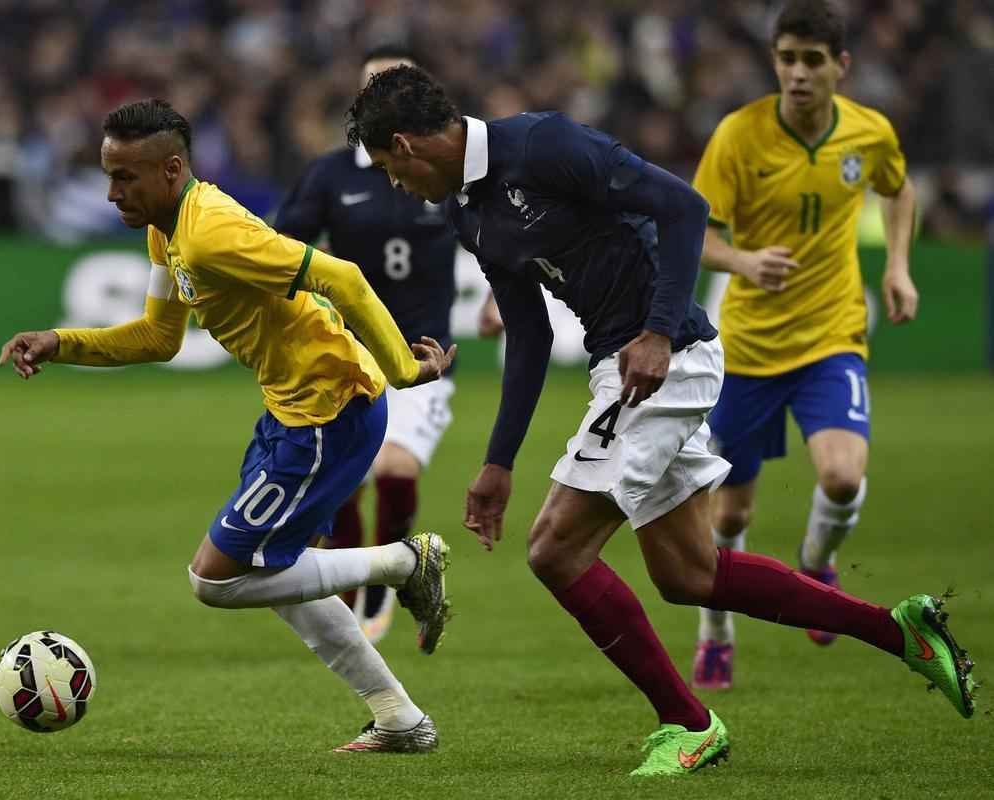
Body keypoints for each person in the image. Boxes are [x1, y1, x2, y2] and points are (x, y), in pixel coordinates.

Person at [345, 65, 975, 777]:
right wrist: (498, 461)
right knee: (687, 572)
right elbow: (526, 334)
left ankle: (689, 723)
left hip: (664, 358)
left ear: (405, 145)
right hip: (625, 364)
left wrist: (657, 329)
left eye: (389, 170)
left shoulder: (543, 144)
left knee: (555, 549)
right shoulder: (470, 214)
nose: (396, 186)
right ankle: (900, 632)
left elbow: (679, 207)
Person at [0, 99, 456, 753]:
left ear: (172, 168)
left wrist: (404, 371)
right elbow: (159, 338)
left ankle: (402, 562)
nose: (111, 192)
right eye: (108, 174)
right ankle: (398, 719)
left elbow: (343, 278)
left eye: (125, 176)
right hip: (292, 409)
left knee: (216, 579)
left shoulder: (211, 229)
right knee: (273, 574)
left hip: (329, 411)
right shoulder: (167, 226)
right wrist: (61, 342)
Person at [689, 0, 921, 690]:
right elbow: (699, 236)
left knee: (843, 476)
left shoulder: (868, 132)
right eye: (786, 58)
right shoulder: (738, 136)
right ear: (774, 62)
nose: (796, 73)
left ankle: (816, 560)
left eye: (811, 60)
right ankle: (716, 630)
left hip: (829, 335)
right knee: (727, 516)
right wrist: (743, 263)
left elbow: (899, 191)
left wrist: (899, 267)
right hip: (748, 349)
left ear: (839, 67)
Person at [273, 45, 457, 644]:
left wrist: (498, 299)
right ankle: (352, 597)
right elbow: (284, 248)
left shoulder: (442, 168)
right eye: (372, 85)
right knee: (348, 481)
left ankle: (385, 585)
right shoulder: (330, 174)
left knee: (395, 469)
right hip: (349, 359)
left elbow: (492, 235)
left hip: (424, 356)